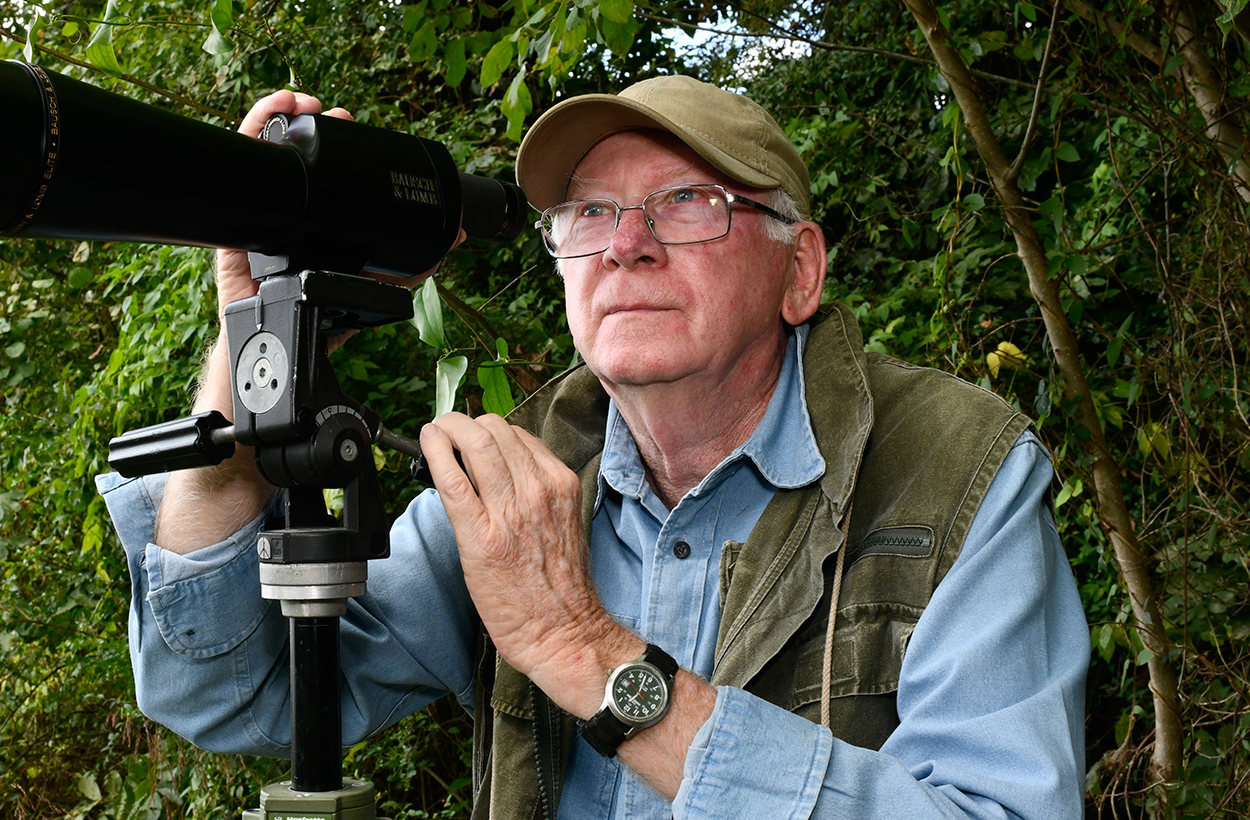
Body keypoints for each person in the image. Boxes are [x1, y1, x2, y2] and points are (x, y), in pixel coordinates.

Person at [98, 76, 1088, 819]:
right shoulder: (520, 478)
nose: (625, 244)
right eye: (589, 213)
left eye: (688, 202)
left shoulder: (957, 472)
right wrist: (246, 364)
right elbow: (231, 697)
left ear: (800, 269)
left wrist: (587, 654)